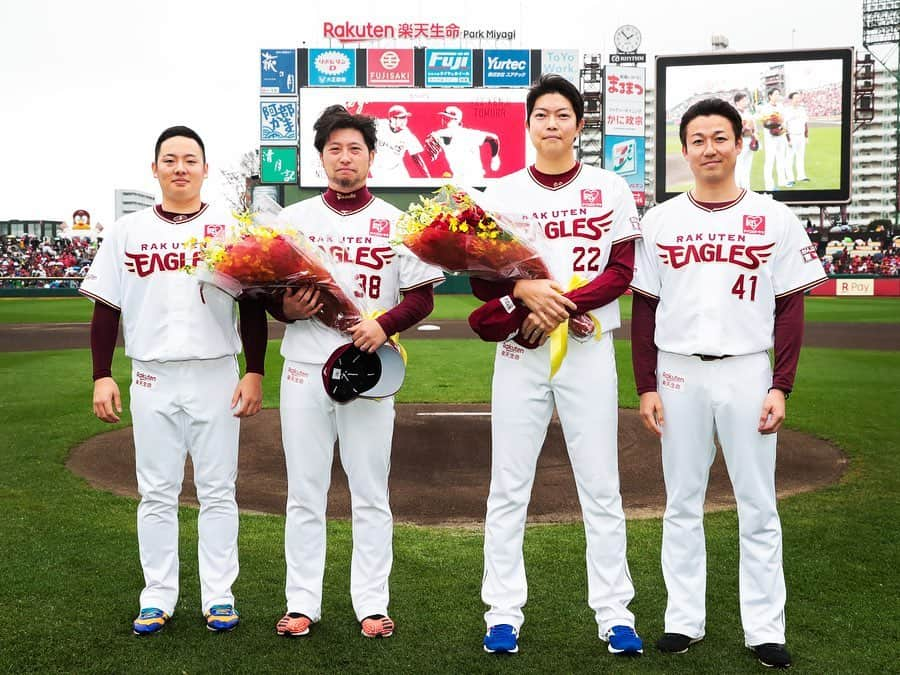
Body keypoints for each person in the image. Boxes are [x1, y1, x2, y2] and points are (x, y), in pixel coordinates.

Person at [630, 98, 827, 669]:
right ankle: (682, 619)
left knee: (758, 502)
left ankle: (765, 627)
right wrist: (647, 385)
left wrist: (780, 385)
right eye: (698, 139)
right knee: (681, 501)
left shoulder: (773, 216)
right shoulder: (661, 220)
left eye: (721, 137)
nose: (710, 148)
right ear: (684, 149)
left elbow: (791, 305)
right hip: (678, 370)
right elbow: (645, 308)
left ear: (740, 143)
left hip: (746, 368)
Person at [467, 74, 644, 657]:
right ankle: (501, 612)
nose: (551, 123)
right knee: (508, 487)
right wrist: (525, 295)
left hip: (588, 347)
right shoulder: (501, 194)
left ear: (579, 123)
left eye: (562, 114)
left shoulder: (610, 187)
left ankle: (615, 613)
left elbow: (620, 274)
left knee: (602, 487)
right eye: (541, 114)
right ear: (529, 123)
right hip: (522, 351)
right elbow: (480, 280)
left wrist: (554, 302)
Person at [80, 126, 267, 635]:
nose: (180, 167)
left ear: (206, 168)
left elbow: (251, 306)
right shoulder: (126, 231)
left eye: (190, 159)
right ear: (155, 168)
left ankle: (219, 595)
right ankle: (157, 596)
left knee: (218, 491)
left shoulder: (232, 227)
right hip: (150, 377)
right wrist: (102, 375)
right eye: (170, 159)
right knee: (157, 492)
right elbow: (106, 308)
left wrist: (254, 369)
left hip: (214, 373)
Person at [269, 105, 444, 640]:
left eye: (355, 149)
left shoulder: (397, 223)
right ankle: (303, 602)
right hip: (304, 367)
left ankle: (371, 602)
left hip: (369, 370)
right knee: (305, 490)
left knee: (370, 490)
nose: (345, 159)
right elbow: (271, 301)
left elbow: (420, 300)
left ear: (372, 157)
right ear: (320, 157)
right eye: (335, 149)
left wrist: (383, 324)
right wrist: (289, 311)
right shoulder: (292, 221)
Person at [424, 105, 501, 183]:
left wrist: (495, 158)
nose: (444, 120)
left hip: (474, 177)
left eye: (448, 118)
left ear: (456, 121)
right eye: (444, 118)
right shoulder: (441, 134)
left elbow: (493, 138)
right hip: (458, 177)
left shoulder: (467, 133)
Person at [370, 104, 430, 181]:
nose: (405, 120)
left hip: (397, 169)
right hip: (377, 168)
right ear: (392, 119)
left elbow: (417, 159)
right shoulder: (378, 125)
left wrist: (428, 178)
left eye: (405, 117)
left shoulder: (407, 135)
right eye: (401, 117)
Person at [758, 88, 793, 191]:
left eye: (779, 94)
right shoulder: (765, 108)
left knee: (781, 158)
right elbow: (765, 123)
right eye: (776, 94)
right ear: (770, 95)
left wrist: (782, 129)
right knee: (770, 160)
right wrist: (774, 125)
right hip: (770, 137)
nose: (778, 96)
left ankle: (782, 181)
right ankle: (769, 185)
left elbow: (783, 121)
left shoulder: (781, 106)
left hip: (780, 136)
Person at [732, 92, 758, 190]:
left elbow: (754, 126)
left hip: (750, 140)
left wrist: (754, 134)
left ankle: (746, 187)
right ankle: (738, 187)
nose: (746, 102)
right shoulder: (734, 113)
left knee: (748, 165)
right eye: (743, 100)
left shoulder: (748, 113)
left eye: (746, 100)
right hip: (739, 141)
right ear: (737, 102)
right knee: (739, 165)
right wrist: (744, 128)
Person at [785, 91, 810, 182]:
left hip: (801, 136)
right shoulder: (787, 110)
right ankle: (790, 178)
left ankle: (801, 176)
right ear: (791, 100)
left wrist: (806, 136)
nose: (798, 100)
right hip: (792, 136)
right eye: (796, 98)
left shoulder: (802, 110)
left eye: (799, 98)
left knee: (800, 157)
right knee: (790, 158)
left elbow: (805, 123)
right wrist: (788, 139)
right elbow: (785, 125)